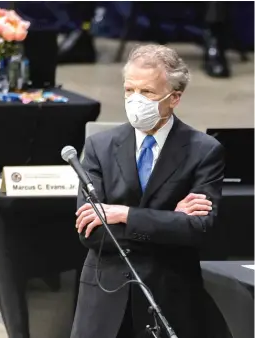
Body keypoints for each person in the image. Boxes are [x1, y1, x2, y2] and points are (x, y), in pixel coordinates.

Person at [70, 44, 225, 338]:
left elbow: (198, 229)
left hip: (169, 298)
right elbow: (91, 233)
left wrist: (124, 214)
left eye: (148, 93)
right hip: (104, 304)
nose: (135, 100)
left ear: (174, 98)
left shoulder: (204, 151)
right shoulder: (99, 147)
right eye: (130, 90)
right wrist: (169, 220)